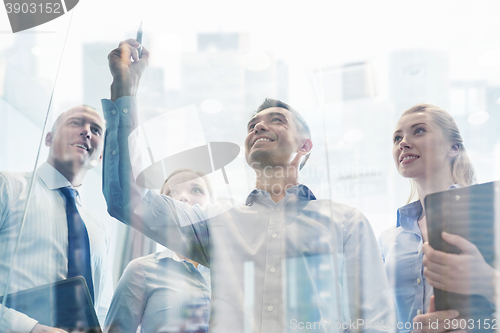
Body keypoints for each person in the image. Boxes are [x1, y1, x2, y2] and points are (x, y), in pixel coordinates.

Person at [102, 39, 396, 332]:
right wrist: (124, 93)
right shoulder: (217, 224)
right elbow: (128, 201)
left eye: (277, 120)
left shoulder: (346, 223)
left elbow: (374, 322)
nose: (258, 126)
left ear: (305, 145)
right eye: (252, 124)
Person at [378, 103, 497, 333]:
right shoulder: (388, 240)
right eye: (396, 138)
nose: (402, 142)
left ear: (453, 148)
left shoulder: (490, 214)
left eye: (419, 130)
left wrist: (488, 281)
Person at [0, 105, 112, 333]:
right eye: (75, 123)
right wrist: (29, 329)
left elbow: (102, 308)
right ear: (49, 138)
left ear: (100, 156)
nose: (86, 132)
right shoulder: (7, 188)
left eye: (96, 130)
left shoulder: (98, 229)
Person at [104, 169, 212, 333]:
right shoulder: (140, 271)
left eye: (196, 190)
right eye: (172, 192)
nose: (183, 197)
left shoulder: (236, 273)